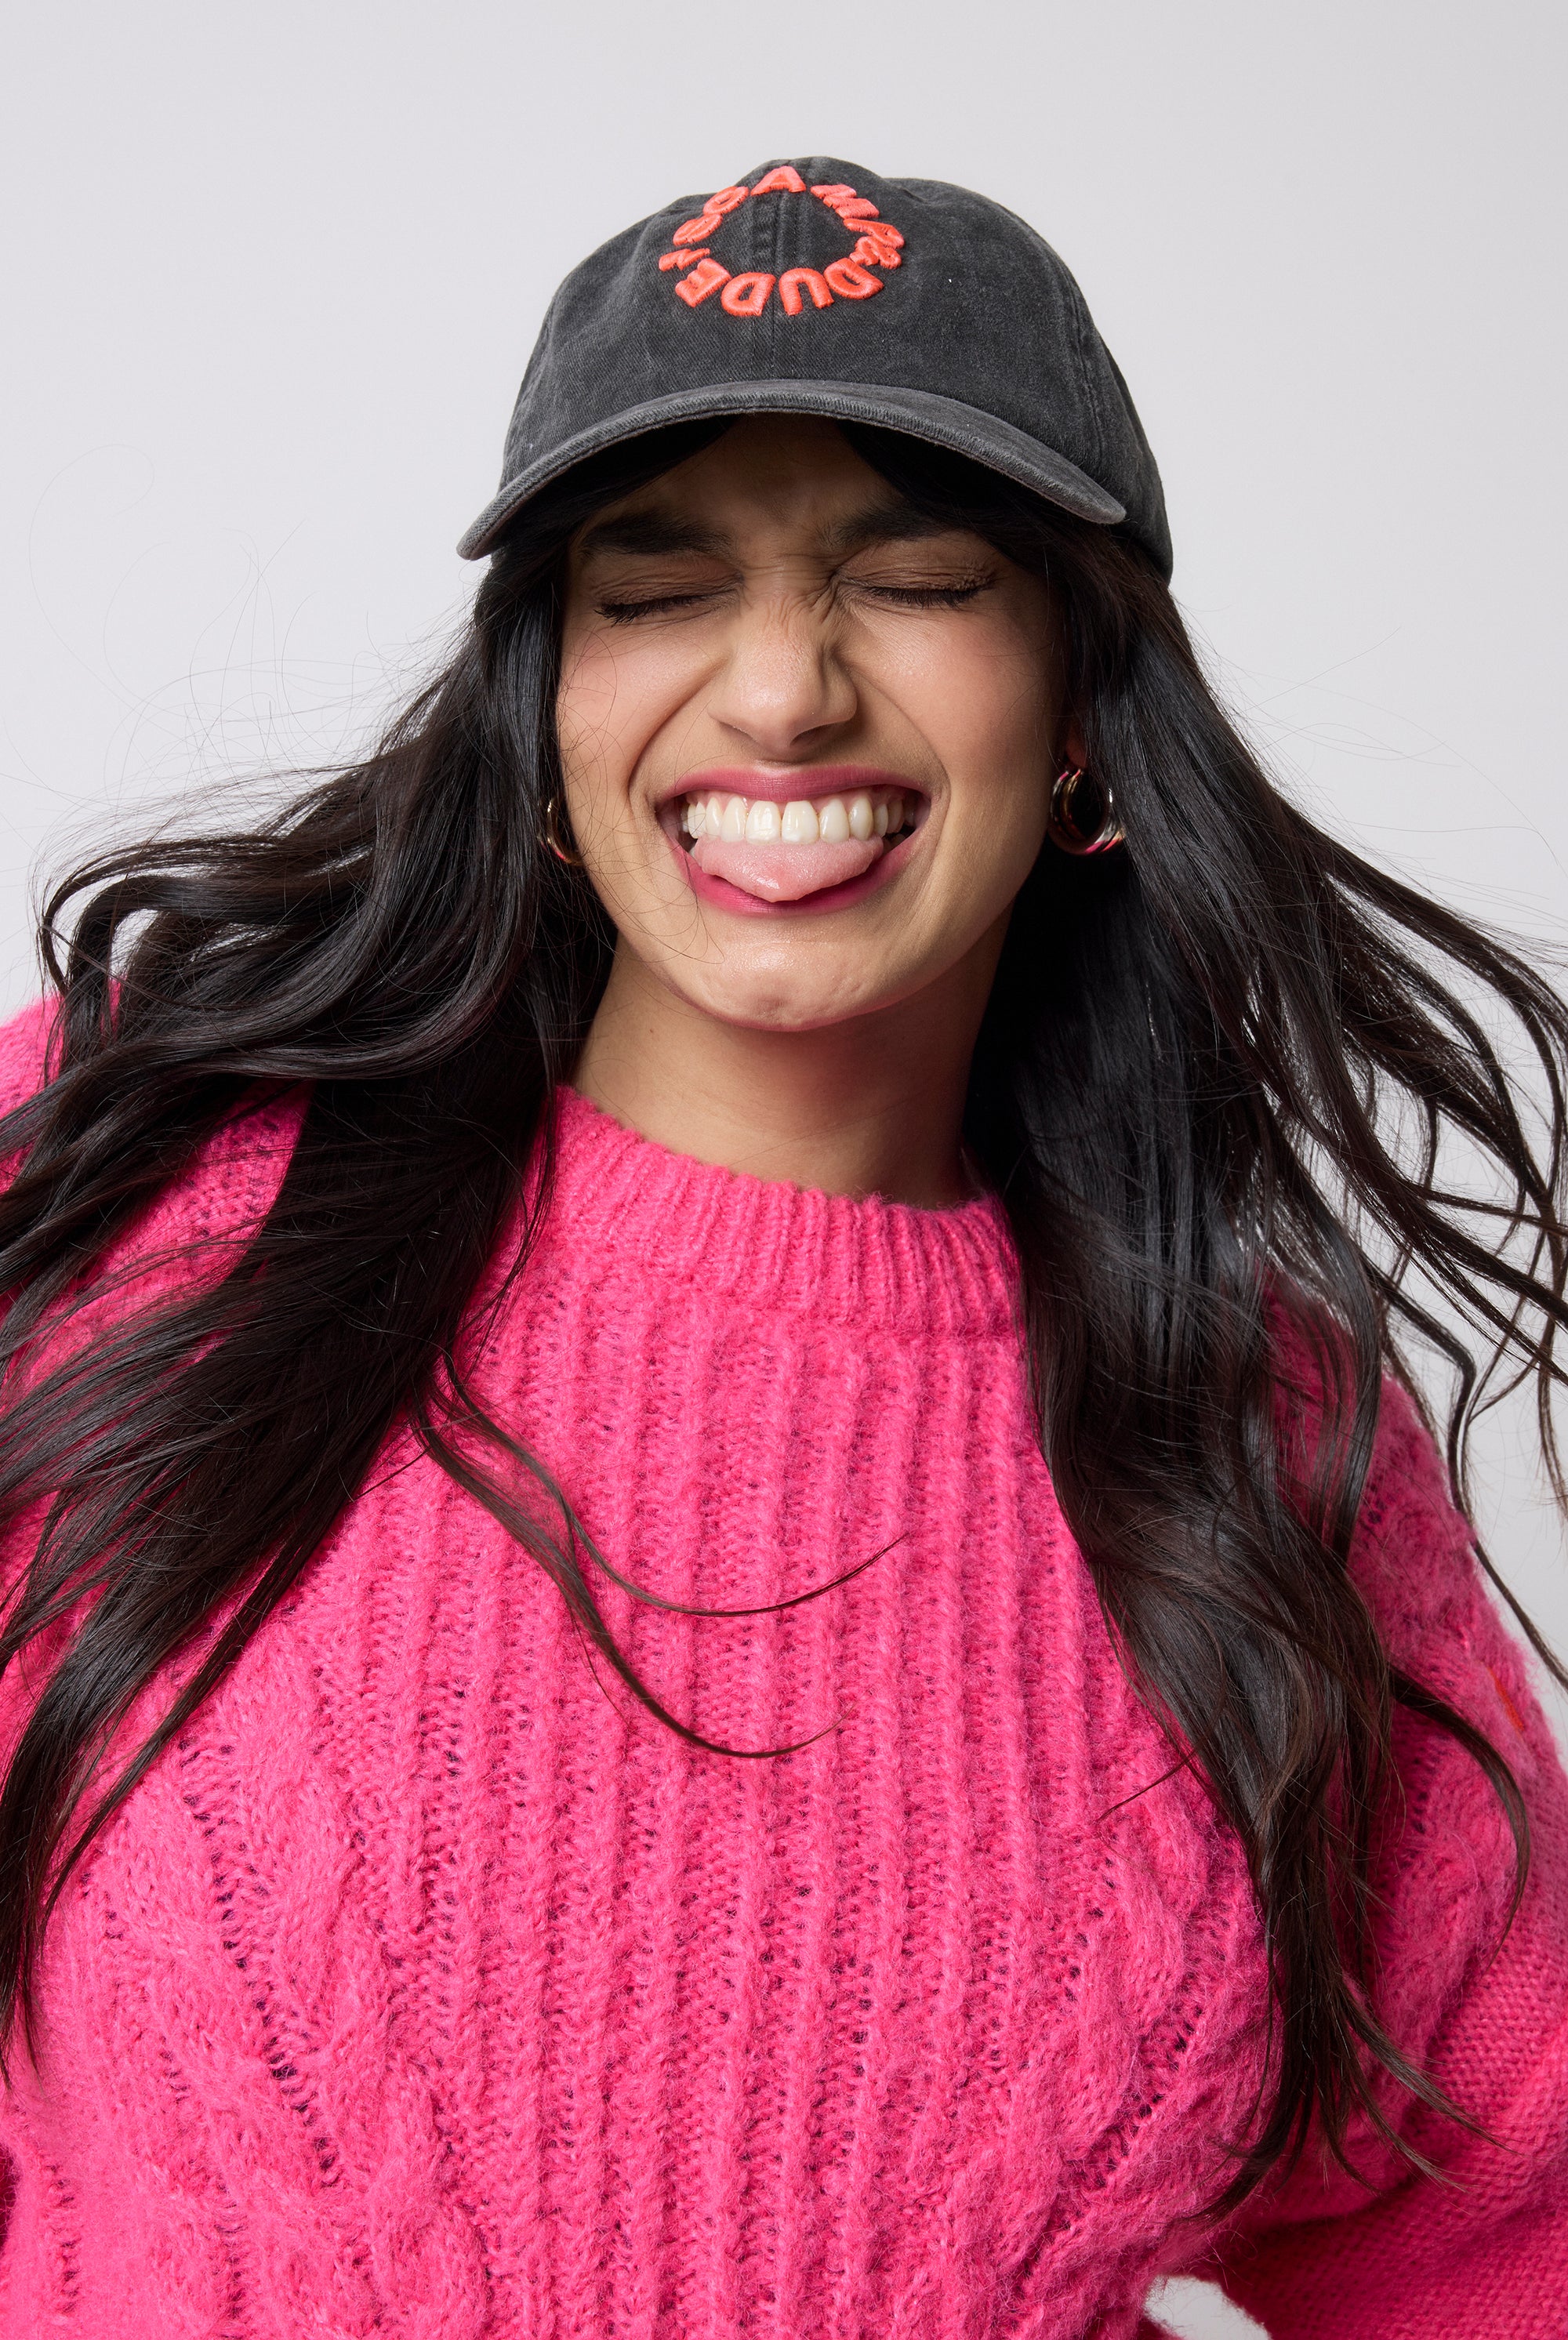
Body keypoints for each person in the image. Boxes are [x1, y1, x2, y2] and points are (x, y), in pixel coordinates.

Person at [0, 155, 1563, 2339]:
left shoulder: (1254, 1434)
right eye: (656, 586)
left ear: (1090, 708)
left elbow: (1504, 2244)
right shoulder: (138, 1181)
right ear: (547, 713)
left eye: (915, 574)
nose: (780, 691)